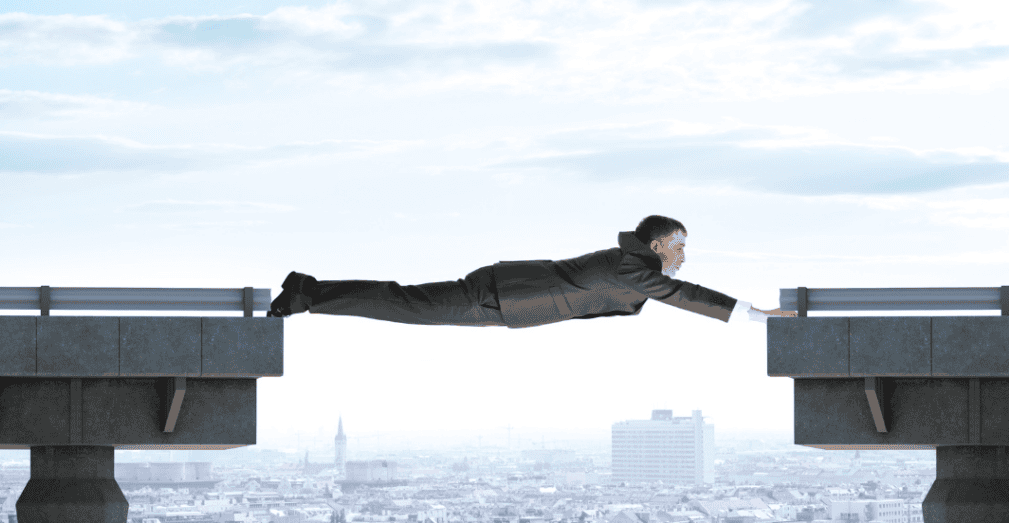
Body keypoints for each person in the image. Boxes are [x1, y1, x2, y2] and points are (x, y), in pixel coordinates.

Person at [267, 214, 795, 327]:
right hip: (500, 296)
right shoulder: (633, 266)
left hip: (507, 301)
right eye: (678, 245)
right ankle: (308, 293)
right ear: (657, 244)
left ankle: (310, 292)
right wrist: (751, 314)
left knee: (407, 304)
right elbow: (684, 293)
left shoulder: (629, 265)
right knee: (405, 304)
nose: (682, 254)